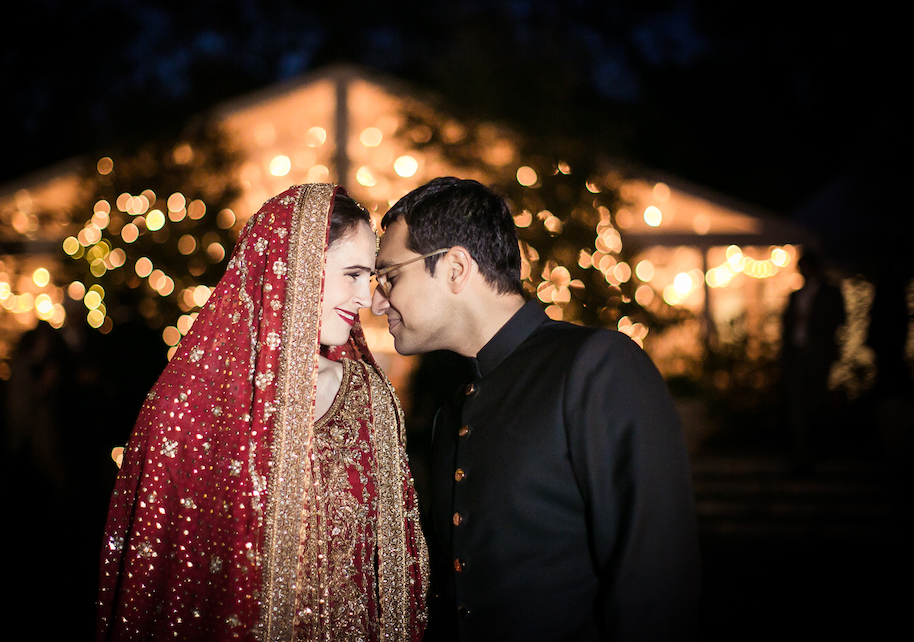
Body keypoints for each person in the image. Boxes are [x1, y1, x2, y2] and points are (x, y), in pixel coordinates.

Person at [371, 177, 700, 641]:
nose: (375, 299)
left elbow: (656, 583)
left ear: (455, 268)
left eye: (389, 276)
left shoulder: (596, 366)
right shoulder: (453, 406)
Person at [97, 184, 429, 641]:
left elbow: (393, 572)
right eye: (351, 274)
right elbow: (158, 583)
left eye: (368, 277)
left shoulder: (369, 398)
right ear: (292, 266)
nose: (364, 298)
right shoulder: (190, 404)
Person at [780, 251, 846, 476]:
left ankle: (822, 449)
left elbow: (839, 319)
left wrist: (815, 325)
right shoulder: (795, 295)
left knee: (817, 402)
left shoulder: (830, 293)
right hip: (799, 354)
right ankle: (801, 455)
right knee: (798, 405)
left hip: (819, 355)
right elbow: (786, 328)